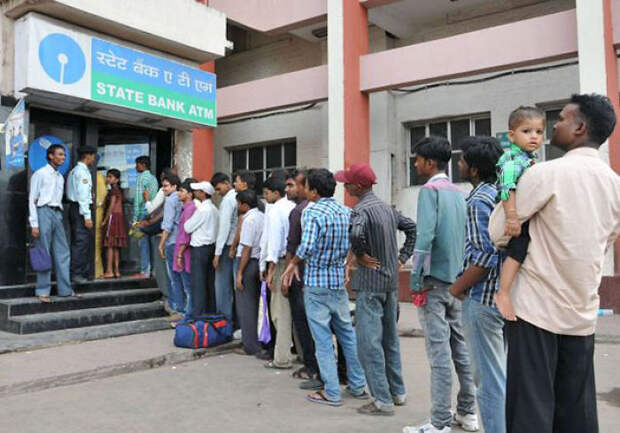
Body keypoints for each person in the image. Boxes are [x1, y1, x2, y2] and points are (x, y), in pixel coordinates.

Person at [489, 94, 620, 433]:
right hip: (581, 310)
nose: (552, 127)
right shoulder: (614, 184)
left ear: (579, 127)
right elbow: (608, 240)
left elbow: (499, 231)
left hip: (536, 310)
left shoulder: (547, 173)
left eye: (561, 119)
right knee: (577, 413)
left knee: (530, 411)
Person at [404, 136, 478, 433]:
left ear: (429, 162)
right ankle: (467, 411)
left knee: (439, 354)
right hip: (458, 282)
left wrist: (415, 278)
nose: (415, 163)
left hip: (433, 282)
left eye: (417, 158)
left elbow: (425, 238)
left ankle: (439, 421)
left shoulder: (429, 191)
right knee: (460, 348)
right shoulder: (459, 193)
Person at [281, 168, 367, 407]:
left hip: (317, 283)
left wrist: (292, 265)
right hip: (337, 283)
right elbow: (355, 241)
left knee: (322, 341)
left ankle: (331, 391)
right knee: (347, 336)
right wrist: (347, 263)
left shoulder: (312, 212)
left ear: (314, 191)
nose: (303, 190)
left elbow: (306, 246)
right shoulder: (345, 211)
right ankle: (358, 385)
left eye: (306, 186)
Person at [338, 163, 416, 416]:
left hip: (370, 285)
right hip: (390, 283)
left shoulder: (360, 210)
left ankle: (382, 400)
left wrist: (360, 256)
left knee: (368, 344)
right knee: (389, 340)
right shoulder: (386, 208)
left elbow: (356, 234)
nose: (345, 186)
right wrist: (402, 257)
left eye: (347, 183)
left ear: (358, 186)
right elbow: (412, 227)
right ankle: (397, 392)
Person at [449, 137, 506, 433]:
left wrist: (457, 288)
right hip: (502, 297)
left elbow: (485, 256)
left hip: (482, 299)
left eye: (461, 161)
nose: (457, 165)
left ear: (472, 169)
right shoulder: (500, 193)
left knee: (488, 380)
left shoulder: (478, 200)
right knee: (500, 373)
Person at [493, 107, 545, 321]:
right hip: (514, 216)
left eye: (539, 132)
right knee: (518, 251)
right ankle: (503, 293)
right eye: (526, 131)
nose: (534, 136)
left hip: (524, 215)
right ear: (512, 135)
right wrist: (512, 218)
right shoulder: (513, 158)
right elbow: (507, 188)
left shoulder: (527, 158)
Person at [282, 169, 322, 389]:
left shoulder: (299, 211)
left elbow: (292, 245)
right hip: (320, 274)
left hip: (302, 273)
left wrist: (288, 274)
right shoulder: (324, 209)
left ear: (306, 187)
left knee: (304, 322)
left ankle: (312, 367)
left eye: (292, 185)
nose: (288, 189)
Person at [28, 144, 74, 302]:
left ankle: (65, 290)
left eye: (64, 155)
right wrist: (34, 223)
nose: (63, 158)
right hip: (43, 212)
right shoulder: (40, 174)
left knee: (63, 251)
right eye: (60, 155)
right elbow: (32, 199)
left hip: (57, 213)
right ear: (50, 156)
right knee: (43, 251)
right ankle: (42, 290)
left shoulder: (60, 177)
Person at [262, 175, 296, 369]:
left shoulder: (275, 210)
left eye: (266, 193)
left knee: (280, 312)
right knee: (295, 311)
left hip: (282, 263)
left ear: (276, 192)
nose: (265, 196)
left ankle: (282, 357)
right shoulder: (292, 207)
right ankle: (299, 353)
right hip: (296, 262)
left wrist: (270, 270)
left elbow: (274, 243)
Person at [234, 189, 265, 355]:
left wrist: (239, 273)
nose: (238, 206)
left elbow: (246, 247)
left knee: (246, 306)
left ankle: (250, 345)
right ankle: (259, 340)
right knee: (256, 304)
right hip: (258, 262)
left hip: (248, 263)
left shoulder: (249, 220)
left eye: (239, 203)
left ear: (245, 204)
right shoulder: (262, 216)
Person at [184, 181, 219, 318]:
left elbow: (187, 227)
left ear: (204, 193)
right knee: (209, 283)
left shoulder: (203, 210)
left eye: (198, 191)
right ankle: (210, 313)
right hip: (211, 247)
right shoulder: (214, 209)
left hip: (199, 249)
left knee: (198, 284)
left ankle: (197, 315)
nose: (195, 193)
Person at [66, 145, 96, 283]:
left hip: (74, 208)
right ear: (88, 156)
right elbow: (83, 195)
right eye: (93, 156)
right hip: (80, 209)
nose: (94, 159)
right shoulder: (82, 172)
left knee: (78, 241)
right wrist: (87, 216)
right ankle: (77, 273)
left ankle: (78, 272)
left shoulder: (74, 171)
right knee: (81, 242)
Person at [211, 172, 238, 323]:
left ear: (227, 183)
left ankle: (223, 320)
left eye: (218, 188)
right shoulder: (236, 197)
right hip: (233, 246)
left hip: (227, 247)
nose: (218, 192)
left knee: (222, 286)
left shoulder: (228, 200)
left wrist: (217, 253)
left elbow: (224, 228)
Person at [157, 173, 185, 317]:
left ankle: (177, 308)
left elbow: (167, 226)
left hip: (172, 242)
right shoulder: (182, 199)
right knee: (181, 277)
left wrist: (161, 244)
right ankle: (182, 308)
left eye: (166, 186)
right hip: (181, 242)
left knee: (174, 278)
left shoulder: (170, 201)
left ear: (174, 186)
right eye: (163, 186)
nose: (163, 189)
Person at [173, 179, 197, 322]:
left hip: (185, 253)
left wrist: (180, 254)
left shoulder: (190, 209)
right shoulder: (185, 208)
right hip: (181, 251)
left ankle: (188, 317)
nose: (179, 193)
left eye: (182, 191)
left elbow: (186, 235)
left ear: (190, 193)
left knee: (188, 288)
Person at [132, 155, 158, 278]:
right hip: (153, 214)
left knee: (143, 244)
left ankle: (144, 270)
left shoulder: (141, 178)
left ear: (143, 165)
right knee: (152, 244)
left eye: (137, 164)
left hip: (142, 214)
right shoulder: (153, 179)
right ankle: (153, 270)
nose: (136, 167)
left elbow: (138, 200)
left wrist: (135, 219)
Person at [102, 169, 128, 279]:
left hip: (113, 218)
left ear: (117, 179)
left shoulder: (113, 191)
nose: (108, 179)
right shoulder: (119, 190)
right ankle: (116, 271)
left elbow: (112, 206)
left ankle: (109, 270)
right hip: (120, 218)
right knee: (116, 246)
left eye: (110, 177)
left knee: (110, 245)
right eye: (107, 176)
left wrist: (104, 220)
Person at [94, 169, 108, 279]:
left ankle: (97, 271)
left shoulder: (97, 176)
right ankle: (97, 271)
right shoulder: (98, 177)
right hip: (98, 211)